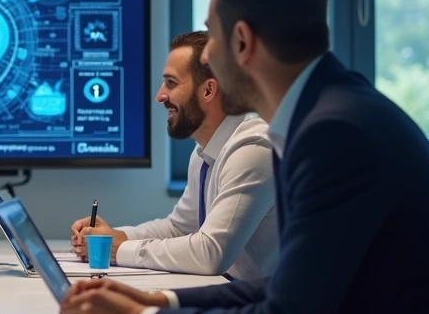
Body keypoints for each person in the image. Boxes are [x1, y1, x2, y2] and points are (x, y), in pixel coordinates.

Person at [59, 0, 429, 314]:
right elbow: (280, 288)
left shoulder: (334, 133)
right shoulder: (328, 112)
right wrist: (159, 302)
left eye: (212, 36)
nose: (207, 56)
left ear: (243, 42)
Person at [69, 31, 277, 279]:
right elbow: (179, 227)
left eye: (171, 83)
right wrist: (114, 237)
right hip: (236, 293)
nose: (160, 96)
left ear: (208, 90)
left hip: (268, 301)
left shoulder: (254, 147)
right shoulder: (204, 152)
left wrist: (117, 250)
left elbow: (211, 253)